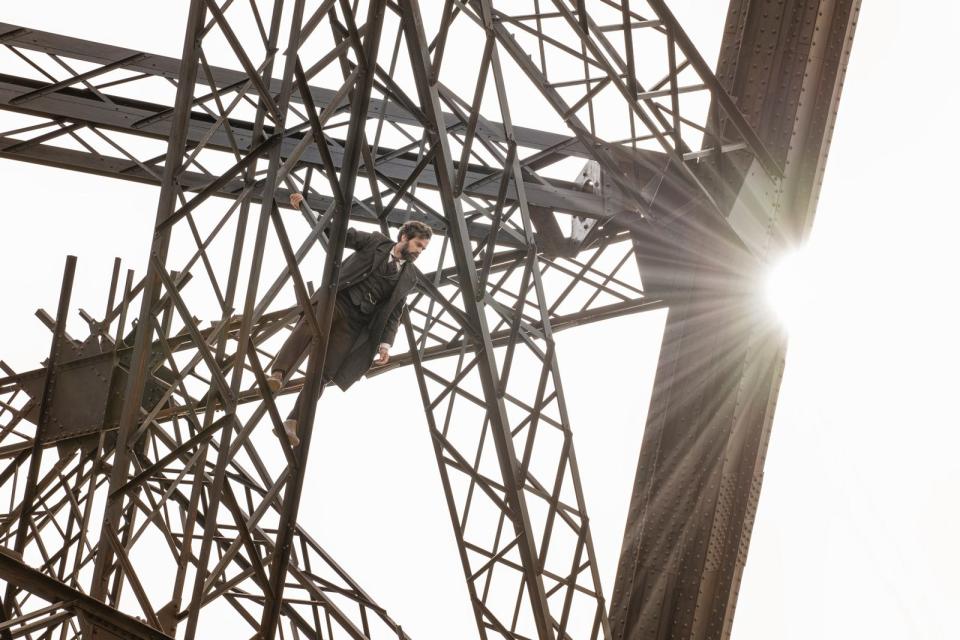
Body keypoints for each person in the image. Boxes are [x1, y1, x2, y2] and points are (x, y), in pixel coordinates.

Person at [267, 192, 432, 446]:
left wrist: (385, 344)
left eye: (423, 248)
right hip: (339, 299)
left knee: (325, 370)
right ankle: (278, 374)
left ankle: (293, 421)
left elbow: (395, 312)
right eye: (418, 245)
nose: (420, 251)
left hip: (358, 322)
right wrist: (305, 208)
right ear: (404, 237)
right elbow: (339, 234)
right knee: (310, 326)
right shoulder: (376, 242)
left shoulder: (409, 277)